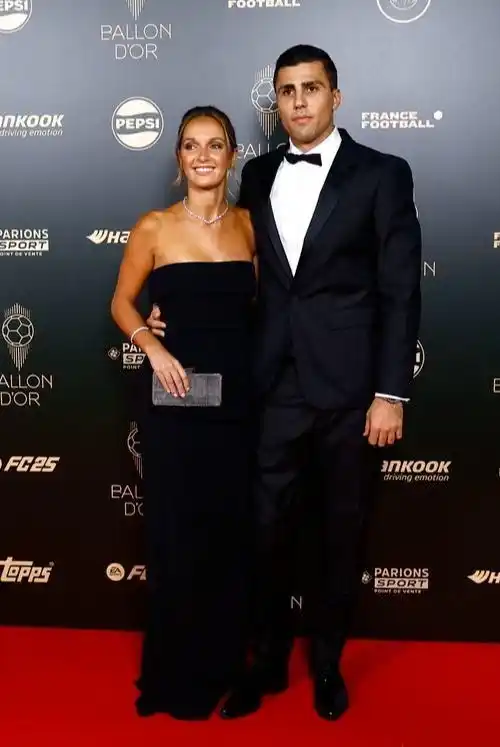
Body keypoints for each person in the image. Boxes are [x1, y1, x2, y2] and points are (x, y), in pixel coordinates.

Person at [147, 44, 422, 721]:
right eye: (288, 90)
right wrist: (171, 313)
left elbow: (400, 290)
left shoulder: (383, 173)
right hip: (270, 387)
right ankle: (266, 663)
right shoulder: (260, 173)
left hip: (352, 391)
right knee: (263, 531)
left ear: (335, 96)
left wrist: (391, 393)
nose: (299, 101)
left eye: (311, 88)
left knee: (340, 532)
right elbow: (236, 268)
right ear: (276, 102)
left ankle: (326, 665)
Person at [110, 106, 256, 720]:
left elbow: (268, 307)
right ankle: (175, 674)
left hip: (239, 406)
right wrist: (151, 342)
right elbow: (122, 301)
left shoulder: (250, 226)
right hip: (176, 403)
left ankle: (224, 666)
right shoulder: (154, 227)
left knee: (228, 538)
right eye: (191, 145)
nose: (203, 156)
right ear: (178, 158)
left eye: (214, 144)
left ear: (231, 155)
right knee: (177, 539)